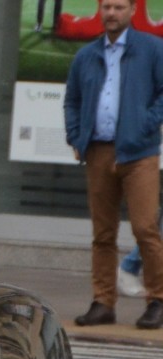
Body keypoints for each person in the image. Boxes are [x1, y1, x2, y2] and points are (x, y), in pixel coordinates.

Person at [63, 0, 163, 330]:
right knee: (102, 234)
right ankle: (103, 302)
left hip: (139, 155)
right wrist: (76, 136)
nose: (111, 13)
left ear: (132, 11)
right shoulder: (87, 55)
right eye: (106, 7)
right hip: (99, 152)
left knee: (145, 229)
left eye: (119, 7)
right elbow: (73, 100)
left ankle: (157, 300)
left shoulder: (151, 48)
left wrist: (144, 126)